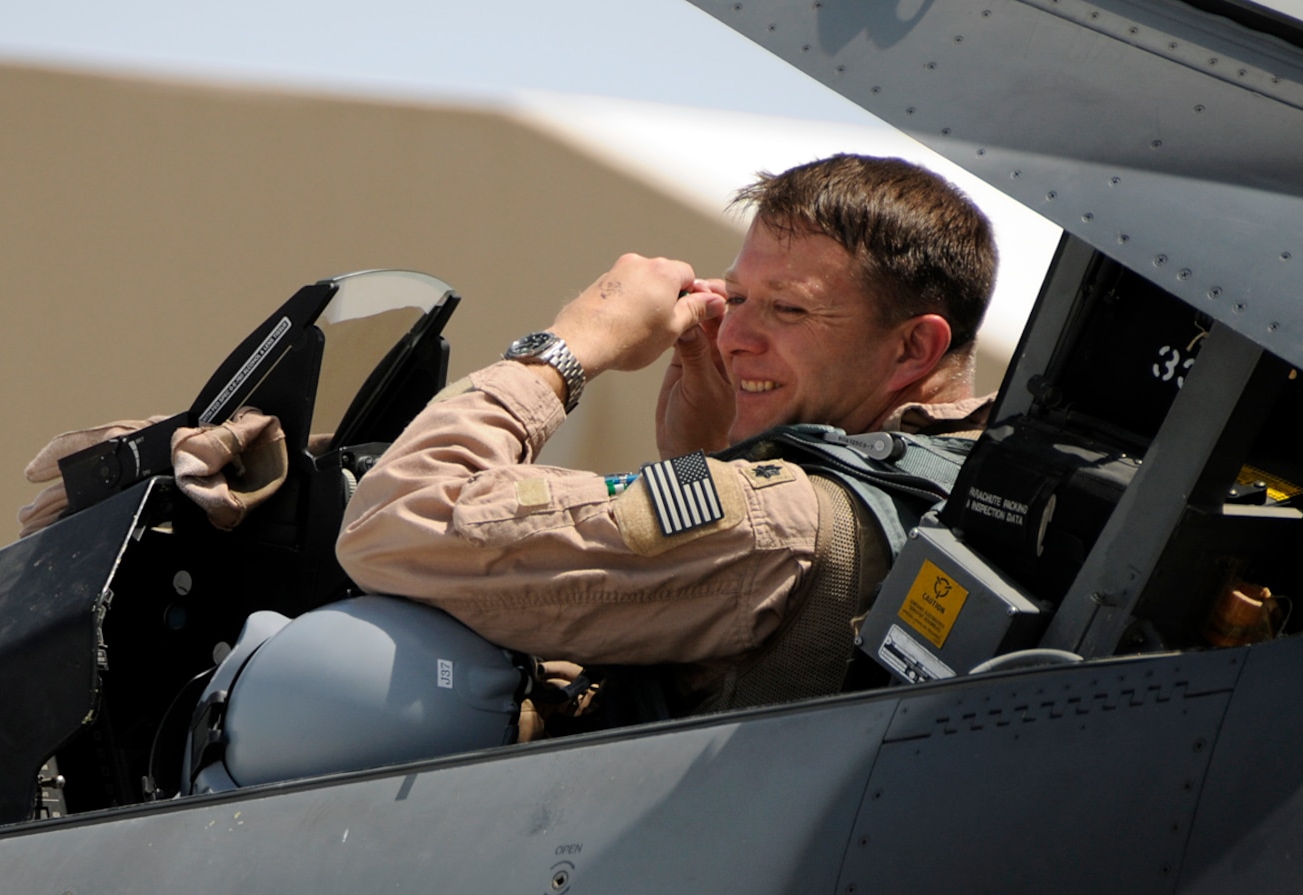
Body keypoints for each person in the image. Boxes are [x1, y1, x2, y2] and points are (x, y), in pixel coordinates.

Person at [332, 154, 998, 713]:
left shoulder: (781, 520)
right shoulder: (963, 478)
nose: (733, 337)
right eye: (735, 299)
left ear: (914, 348)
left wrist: (567, 349)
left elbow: (395, 523)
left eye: (788, 309)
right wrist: (711, 457)